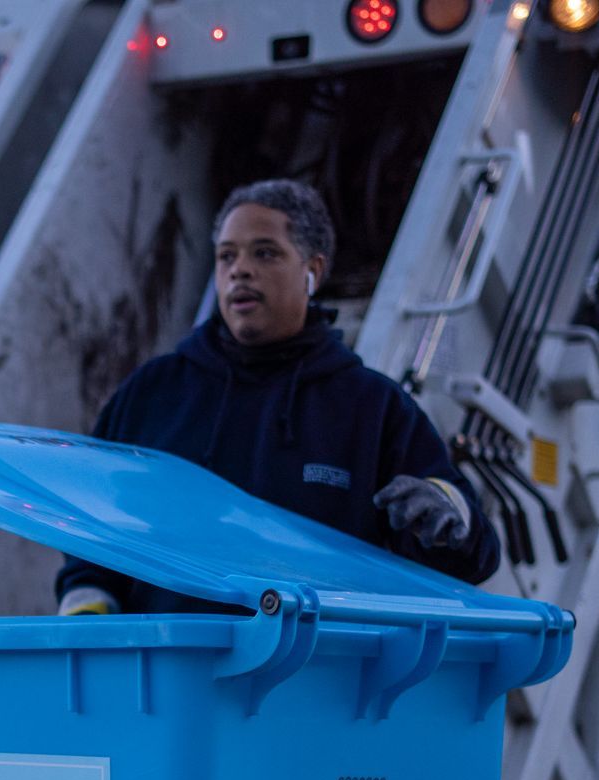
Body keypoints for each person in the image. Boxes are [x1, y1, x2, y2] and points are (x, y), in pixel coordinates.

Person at [57, 178, 499, 616]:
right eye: (226, 256)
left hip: (313, 678)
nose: (240, 270)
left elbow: (468, 558)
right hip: (167, 671)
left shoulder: (372, 408)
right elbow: (94, 530)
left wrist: (448, 514)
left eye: (264, 252)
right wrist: (88, 608)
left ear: (313, 271)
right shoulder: (150, 394)